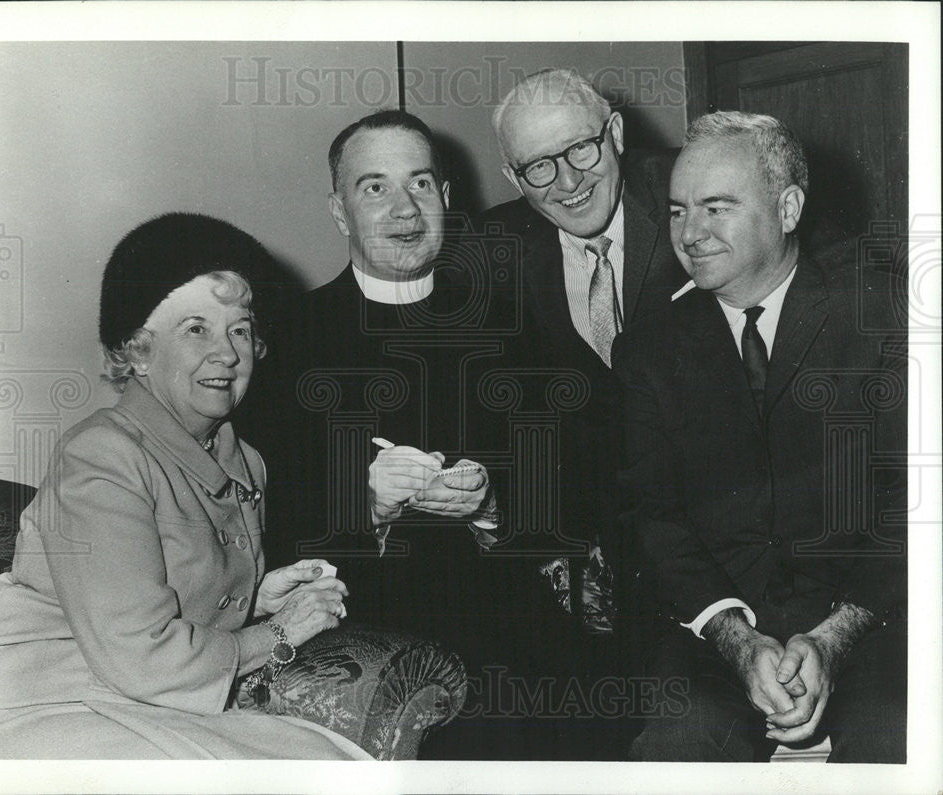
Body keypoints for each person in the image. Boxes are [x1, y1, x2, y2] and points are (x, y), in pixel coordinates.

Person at [243, 110, 608, 760]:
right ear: (339, 210)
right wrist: (367, 503)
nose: (403, 208)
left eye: (419, 184)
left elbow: (577, 490)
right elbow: (259, 527)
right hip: (368, 617)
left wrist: (492, 504)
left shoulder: (507, 324)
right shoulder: (289, 342)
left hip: (508, 609)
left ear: (445, 197)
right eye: (374, 187)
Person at [0, 213, 365, 760]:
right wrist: (279, 633)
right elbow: (141, 655)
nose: (227, 353)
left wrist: (254, 599)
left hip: (137, 700)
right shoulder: (99, 457)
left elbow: (156, 593)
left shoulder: (244, 460)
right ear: (137, 351)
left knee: (331, 764)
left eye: (240, 329)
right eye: (195, 329)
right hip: (50, 701)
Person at [615, 111, 907, 762]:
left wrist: (833, 637)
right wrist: (737, 641)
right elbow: (655, 520)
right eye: (677, 210)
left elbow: (913, 503)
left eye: (716, 208)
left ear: (789, 206)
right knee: (672, 747)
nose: (690, 233)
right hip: (718, 637)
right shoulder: (647, 349)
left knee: (897, 739)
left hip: (873, 622)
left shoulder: (886, 315)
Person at [478, 67, 690, 697]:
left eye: (581, 148)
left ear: (616, 133)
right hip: (595, 547)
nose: (568, 181)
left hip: (720, 521)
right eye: (539, 167)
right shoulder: (495, 246)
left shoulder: (691, 187)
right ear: (516, 179)